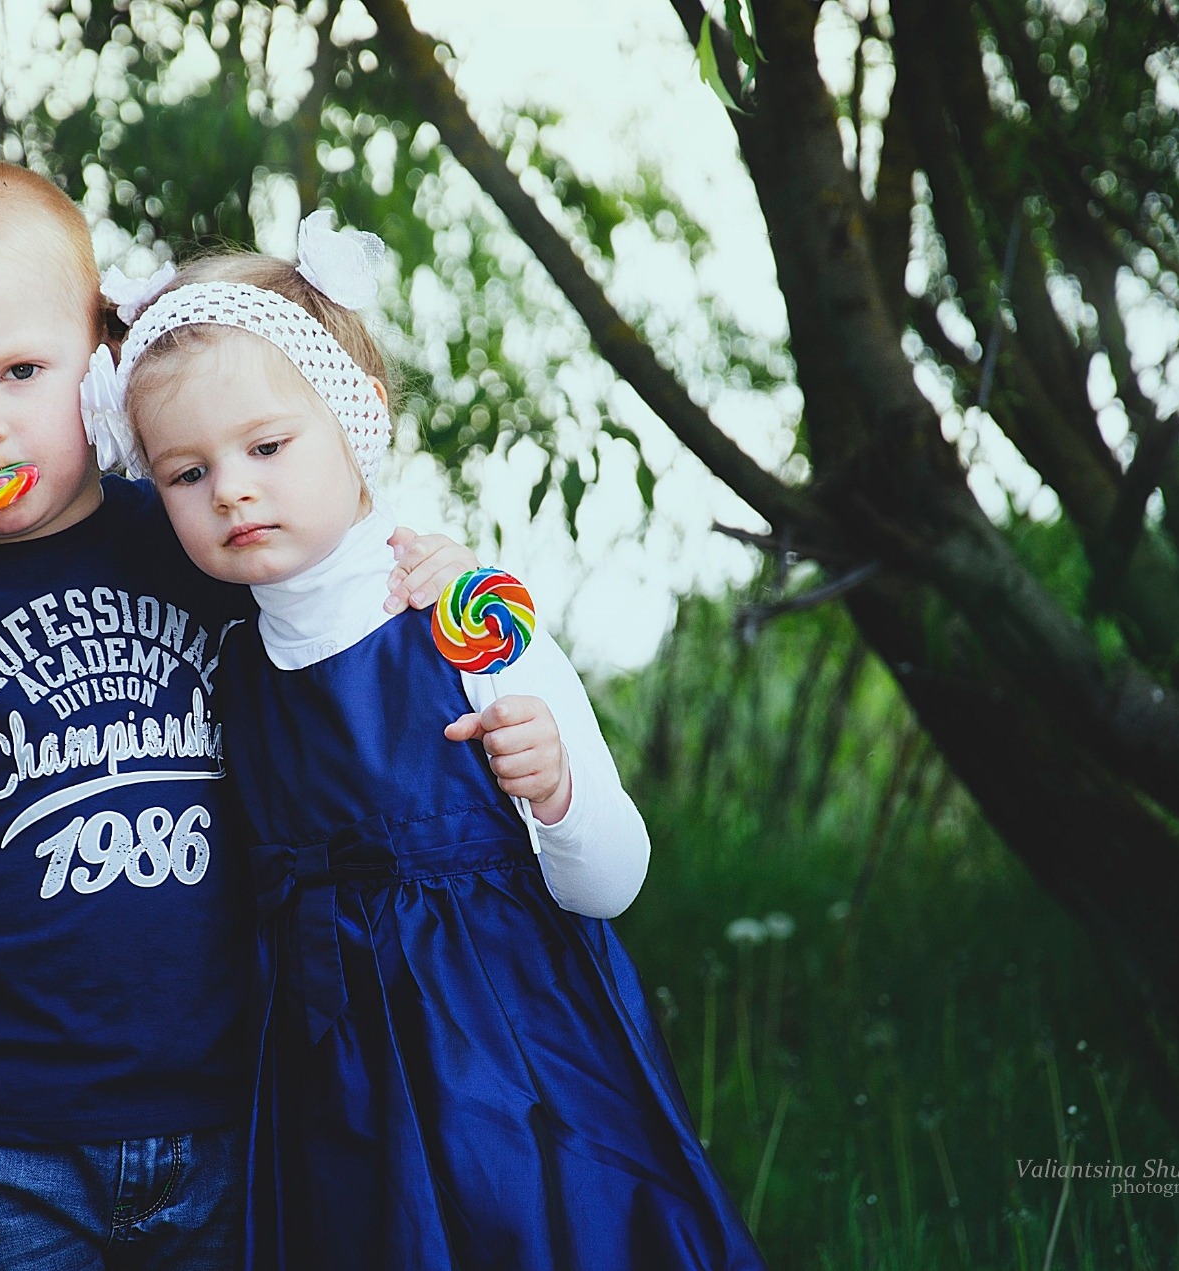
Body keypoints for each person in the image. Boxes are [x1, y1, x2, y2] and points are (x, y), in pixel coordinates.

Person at [0, 159, 473, 1271]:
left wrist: (430, 567)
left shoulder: (194, 530)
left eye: (22, 370)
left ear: (100, 351)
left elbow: (335, 582)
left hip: (232, 1103)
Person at [104, 214, 767, 1270]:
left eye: (268, 446)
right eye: (185, 473)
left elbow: (613, 880)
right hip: (329, 1085)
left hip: (506, 1058)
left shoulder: (461, 611)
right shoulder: (229, 667)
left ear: (359, 419)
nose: (230, 487)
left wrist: (553, 789)